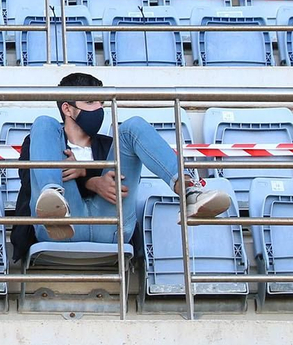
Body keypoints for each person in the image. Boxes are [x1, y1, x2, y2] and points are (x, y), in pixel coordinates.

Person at [15, 72, 231, 256]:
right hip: (60, 226)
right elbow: (28, 180)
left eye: (101, 102)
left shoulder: (109, 146)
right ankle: (53, 203)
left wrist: (86, 173)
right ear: (67, 109)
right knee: (43, 123)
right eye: (90, 102)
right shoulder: (43, 140)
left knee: (131, 127)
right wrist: (88, 180)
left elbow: (118, 182)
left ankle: (188, 191)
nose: (99, 108)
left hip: (110, 227)